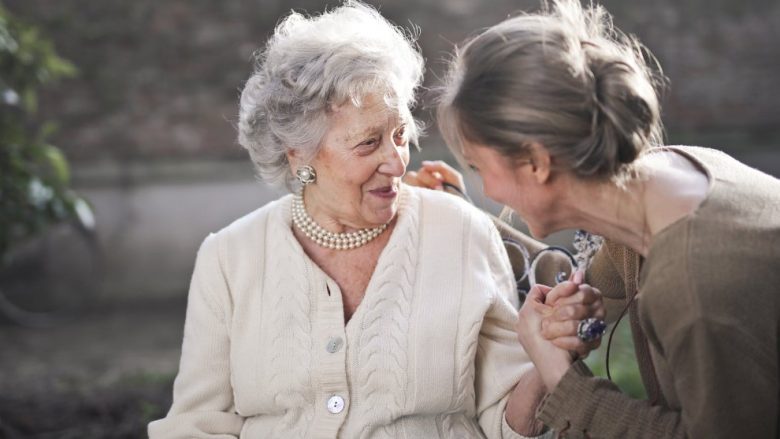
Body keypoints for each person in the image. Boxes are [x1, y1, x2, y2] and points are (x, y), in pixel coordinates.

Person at [147, 2, 604, 438]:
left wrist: (548, 356)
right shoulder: (229, 258)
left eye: (400, 135)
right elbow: (198, 424)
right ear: (298, 155)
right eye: (368, 144)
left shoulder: (462, 233)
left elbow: (504, 423)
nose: (396, 161)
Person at [436, 0, 780, 437]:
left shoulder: (694, 284)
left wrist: (565, 382)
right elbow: (589, 292)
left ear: (536, 163)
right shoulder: (668, 177)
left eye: (480, 168)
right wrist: (567, 316)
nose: (489, 192)